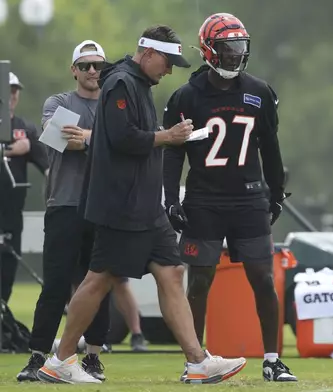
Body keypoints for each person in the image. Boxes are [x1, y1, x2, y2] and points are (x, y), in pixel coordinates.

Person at [37, 25, 246, 385]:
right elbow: (119, 138)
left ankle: (197, 361)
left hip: (145, 205)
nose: (169, 71)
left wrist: (169, 138)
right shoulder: (121, 83)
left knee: (171, 272)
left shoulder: (138, 83)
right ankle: (60, 360)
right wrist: (168, 137)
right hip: (122, 202)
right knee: (99, 278)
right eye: (167, 62)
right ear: (148, 53)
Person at [163, 13, 296, 382]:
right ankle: (196, 360)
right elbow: (173, 152)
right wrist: (170, 198)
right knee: (200, 281)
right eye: (227, 47)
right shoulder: (186, 96)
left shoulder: (260, 92)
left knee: (263, 278)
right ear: (209, 50)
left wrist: (275, 191)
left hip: (249, 199)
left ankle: (272, 359)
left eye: (239, 46)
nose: (235, 54)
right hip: (204, 199)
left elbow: (270, 147)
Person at [16, 41, 113, 382]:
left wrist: (87, 137)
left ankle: (93, 358)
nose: (91, 71)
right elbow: (60, 138)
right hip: (64, 204)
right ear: (73, 69)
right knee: (56, 284)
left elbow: (120, 142)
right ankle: (38, 356)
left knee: (99, 284)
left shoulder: (113, 105)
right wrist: (100, 138)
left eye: (98, 65)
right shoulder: (58, 102)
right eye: (84, 65)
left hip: (103, 206)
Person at [0, 71, 48, 303]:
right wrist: (9, 151)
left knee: (7, 273)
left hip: (11, 216)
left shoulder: (25, 129)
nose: (11, 95)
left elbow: (48, 166)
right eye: (7, 90)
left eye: (14, 91)